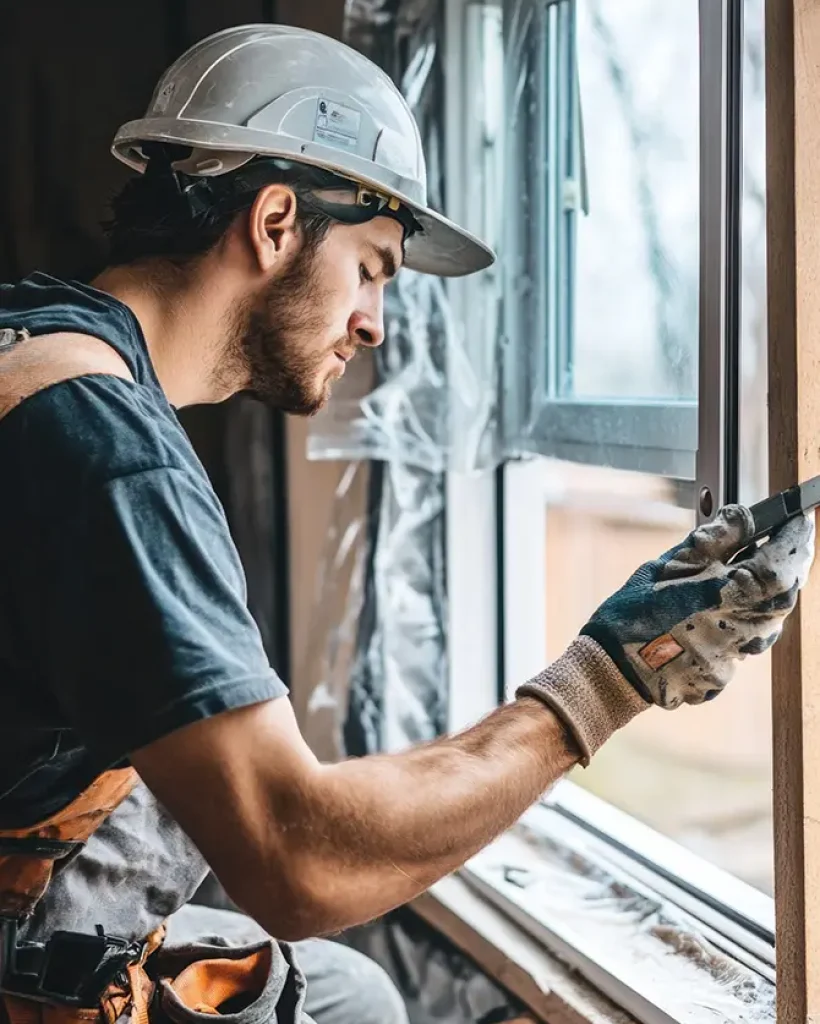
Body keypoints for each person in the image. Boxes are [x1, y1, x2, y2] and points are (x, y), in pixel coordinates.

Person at [0, 22, 813, 1024]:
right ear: (274, 222)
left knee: (349, 989)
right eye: (374, 267)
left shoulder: (32, 336)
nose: (376, 320)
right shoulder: (112, 455)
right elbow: (295, 860)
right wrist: (610, 676)